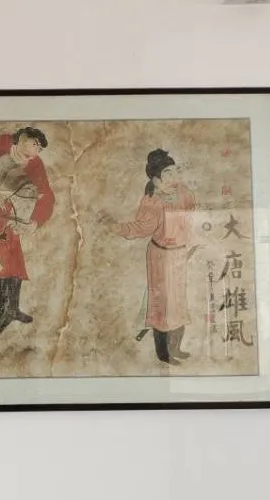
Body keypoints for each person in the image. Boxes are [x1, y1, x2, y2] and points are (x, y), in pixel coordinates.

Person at [98, 149, 198, 365]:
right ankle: (163, 354)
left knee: (179, 303)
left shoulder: (182, 192)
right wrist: (115, 226)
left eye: (175, 171)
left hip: (180, 254)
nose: (174, 177)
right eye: (168, 173)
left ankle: (176, 348)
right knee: (162, 305)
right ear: (156, 179)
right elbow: (140, 228)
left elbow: (191, 209)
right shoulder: (153, 201)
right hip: (161, 257)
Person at [0, 127, 55, 335]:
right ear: (23, 139)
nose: (37, 151)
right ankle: (3, 312)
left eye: (39, 148)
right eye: (35, 145)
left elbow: (46, 194)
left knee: (14, 261)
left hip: (13, 214)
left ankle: (13, 309)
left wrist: (35, 221)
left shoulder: (35, 163)